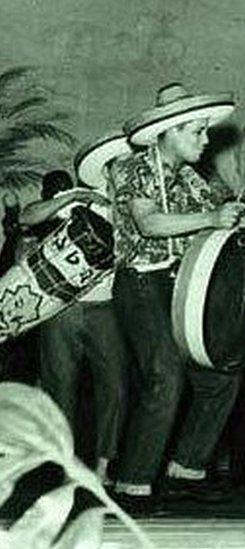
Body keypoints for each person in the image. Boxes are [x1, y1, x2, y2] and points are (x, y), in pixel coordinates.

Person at [110, 83, 245, 511]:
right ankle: (132, 484)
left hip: (183, 288)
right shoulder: (130, 169)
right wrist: (211, 217)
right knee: (165, 373)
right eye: (198, 132)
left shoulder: (191, 180)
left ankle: (187, 470)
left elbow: (232, 224)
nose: (205, 140)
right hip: (141, 285)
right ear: (170, 131)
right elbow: (150, 224)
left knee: (222, 374)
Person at [19, 135, 132, 483]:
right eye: (121, 170)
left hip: (107, 310)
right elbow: (28, 216)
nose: (127, 176)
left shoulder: (138, 209)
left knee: (116, 386)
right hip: (63, 307)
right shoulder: (81, 202)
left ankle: (103, 467)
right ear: (108, 173)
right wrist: (78, 197)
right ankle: (66, 467)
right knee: (60, 388)